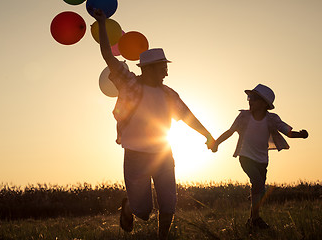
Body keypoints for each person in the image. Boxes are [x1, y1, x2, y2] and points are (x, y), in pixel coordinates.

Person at [91, 9, 215, 239]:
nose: (166, 72)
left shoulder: (169, 94)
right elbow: (108, 56)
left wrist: (207, 135)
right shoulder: (129, 84)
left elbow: (188, 116)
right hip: (135, 154)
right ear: (148, 68)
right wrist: (101, 22)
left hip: (163, 153)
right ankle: (129, 207)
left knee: (169, 204)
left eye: (166, 67)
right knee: (143, 211)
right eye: (163, 67)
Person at [211, 84, 308, 229]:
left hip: (262, 160)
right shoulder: (243, 116)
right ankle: (256, 219)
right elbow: (230, 131)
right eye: (249, 97)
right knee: (257, 183)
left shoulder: (272, 119)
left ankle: (252, 221)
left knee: (259, 189)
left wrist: (300, 135)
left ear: (264, 104)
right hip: (245, 157)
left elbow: (286, 132)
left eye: (254, 98)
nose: (249, 101)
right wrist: (216, 143)